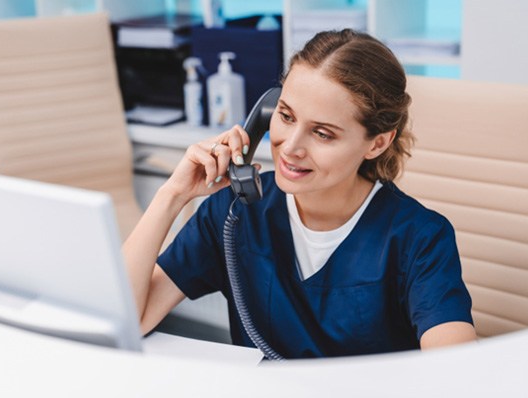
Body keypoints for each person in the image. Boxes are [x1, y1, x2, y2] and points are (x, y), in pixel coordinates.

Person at [123, 29, 477, 359]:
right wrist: (173, 194)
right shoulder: (233, 213)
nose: (290, 148)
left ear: (378, 142)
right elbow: (129, 318)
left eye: (322, 133)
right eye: (286, 116)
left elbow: (457, 374)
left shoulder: (420, 238)